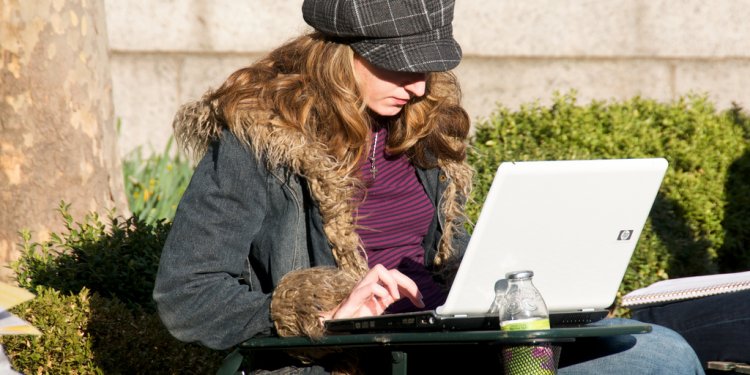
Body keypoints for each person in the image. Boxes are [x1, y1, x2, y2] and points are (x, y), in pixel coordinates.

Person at [153, 0, 705, 373]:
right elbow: (187, 297)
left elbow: (440, 250)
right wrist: (321, 307)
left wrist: (506, 277)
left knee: (661, 352)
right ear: (338, 54)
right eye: (397, 68)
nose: (417, 86)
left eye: (426, 67)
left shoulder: (425, 122)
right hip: (353, 360)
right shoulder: (259, 138)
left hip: (455, 344)